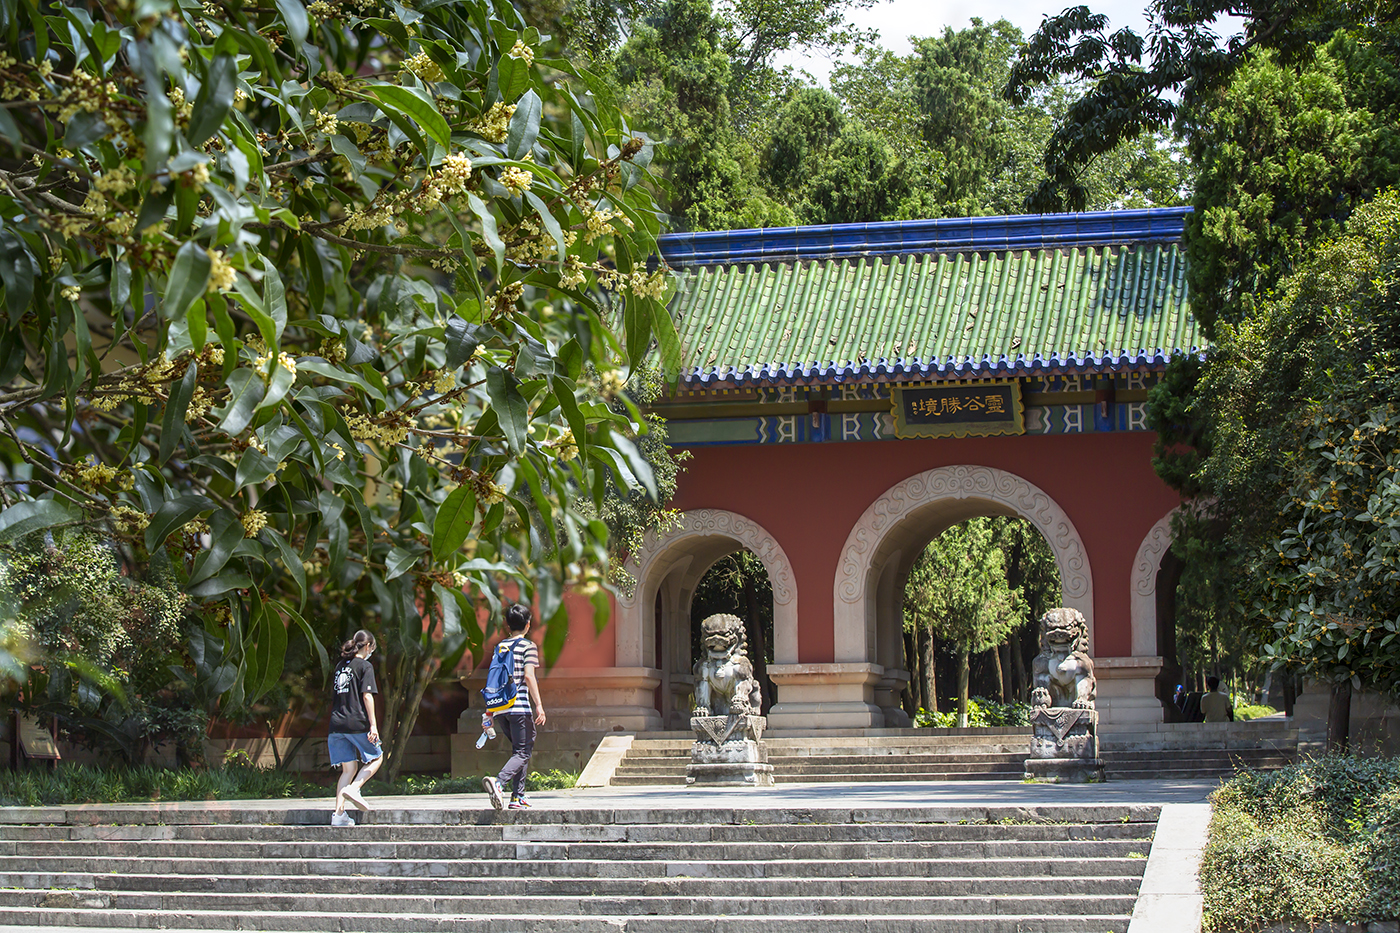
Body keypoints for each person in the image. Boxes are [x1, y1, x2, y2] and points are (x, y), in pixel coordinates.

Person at [483, 604, 546, 811]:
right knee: (523, 751)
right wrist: (539, 705)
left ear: (507, 625)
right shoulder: (528, 646)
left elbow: (493, 678)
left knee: (519, 750)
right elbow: (529, 676)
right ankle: (499, 783)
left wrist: (489, 711)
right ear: (528, 625)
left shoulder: (500, 647)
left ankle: (517, 797)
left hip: (502, 708)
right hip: (519, 707)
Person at [328, 629, 382, 826]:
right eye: (372, 648)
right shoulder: (365, 666)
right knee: (377, 756)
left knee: (348, 769)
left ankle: (338, 815)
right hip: (356, 722)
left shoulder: (340, 666)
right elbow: (367, 696)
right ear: (367, 647)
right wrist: (373, 725)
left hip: (336, 724)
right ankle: (355, 788)